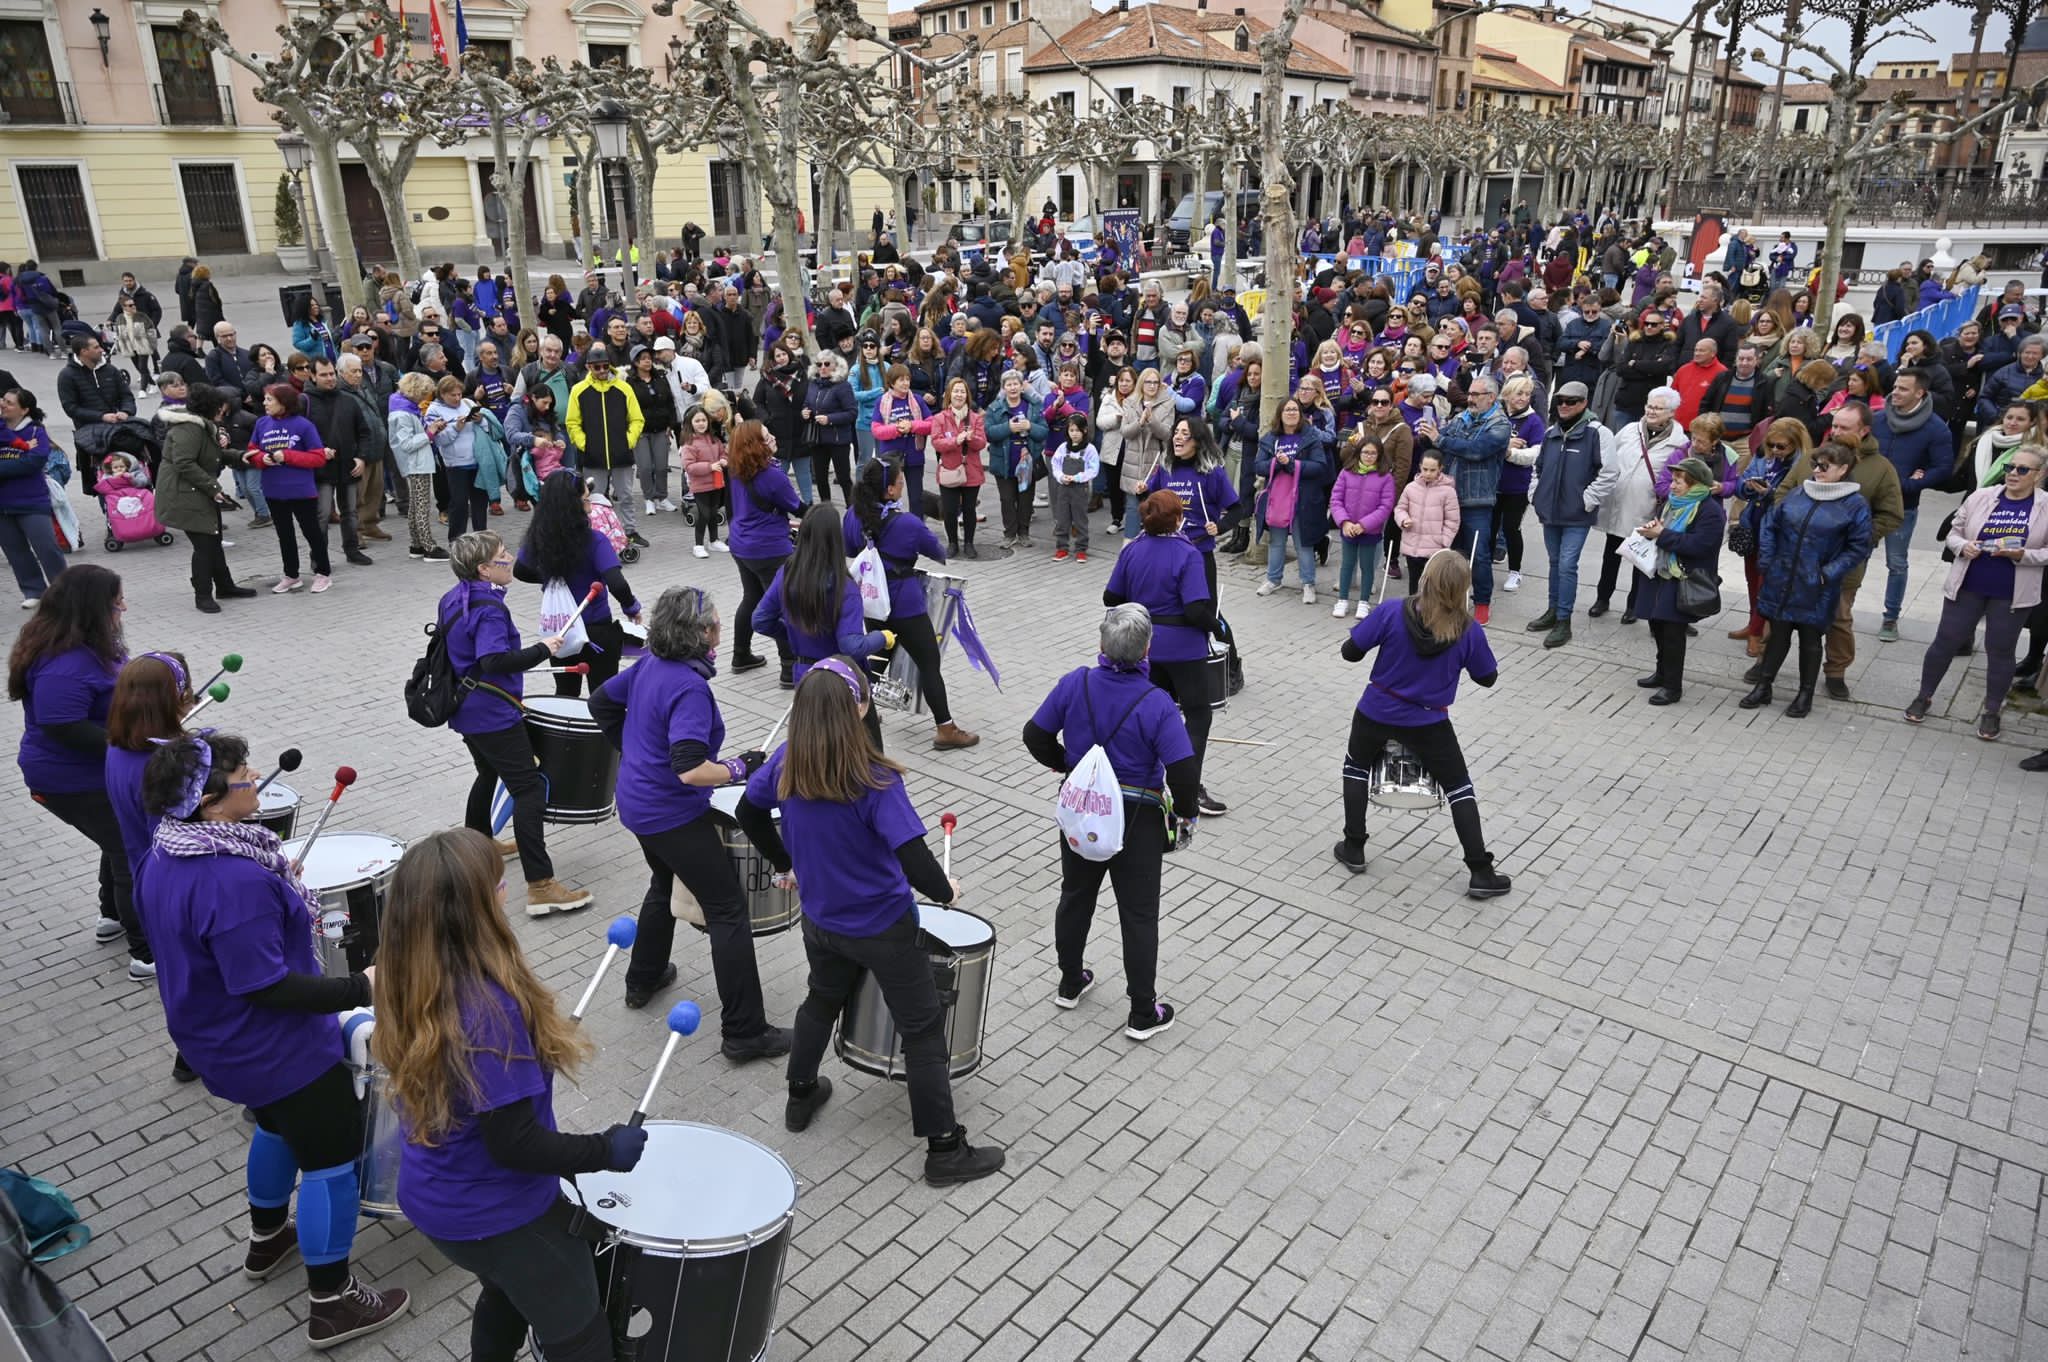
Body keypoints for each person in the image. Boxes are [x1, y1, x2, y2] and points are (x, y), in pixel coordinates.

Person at [133, 730, 409, 1347]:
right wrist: (361, 987)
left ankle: (267, 1240)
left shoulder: (165, 851)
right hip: (275, 1049)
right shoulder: (232, 882)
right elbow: (265, 986)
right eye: (243, 776)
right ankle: (333, 1301)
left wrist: (276, 886)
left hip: (214, 1039)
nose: (256, 777)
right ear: (208, 802)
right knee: (331, 1159)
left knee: (276, 1126)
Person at [733, 659, 1006, 1186]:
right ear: (860, 707)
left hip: (821, 922)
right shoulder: (874, 779)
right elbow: (915, 859)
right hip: (884, 928)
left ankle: (800, 1094)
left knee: (821, 999)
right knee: (922, 1030)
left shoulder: (787, 761)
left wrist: (787, 863)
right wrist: (946, 890)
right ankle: (945, 1149)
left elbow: (748, 812)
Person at [585, 588, 790, 1058]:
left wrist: (637, 754)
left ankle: (644, 977)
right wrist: (739, 767)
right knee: (727, 910)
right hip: (669, 814)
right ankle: (744, 1032)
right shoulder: (689, 687)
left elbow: (601, 703)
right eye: (716, 623)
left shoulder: (650, 665)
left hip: (638, 805)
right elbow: (691, 769)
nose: (720, 628)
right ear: (700, 633)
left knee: (663, 882)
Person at [1023, 604, 1198, 1037]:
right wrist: (1185, 814)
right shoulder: (1157, 703)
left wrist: (1067, 765)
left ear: (1101, 642)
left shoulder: (1075, 683)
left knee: (1075, 896)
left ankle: (1070, 981)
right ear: (1147, 649)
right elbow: (1183, 771)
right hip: (1137, 821)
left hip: (1083, 813)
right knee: (1138, 914)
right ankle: (1142, 1012)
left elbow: (1034, 735)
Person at [1333, 550, 1510, 899]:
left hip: (1376, 710)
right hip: (1428, 720)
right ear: (1463, 589)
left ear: (1425, 578)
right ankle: (1480, 871)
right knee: (1460, 789)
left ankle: (1354, 846)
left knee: (1355, 769)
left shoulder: (1392, 611)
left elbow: (1349, 652)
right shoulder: (1468, 630)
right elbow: (1487, 677)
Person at [9, 565, 154, 974]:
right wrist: (133, 744)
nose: (124, 607)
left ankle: (111, 916)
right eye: (116, 602)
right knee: (131, 849)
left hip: (93, 773)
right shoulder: (64, 664)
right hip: (70, 780)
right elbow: (63, 726)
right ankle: (146, 952)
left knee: (116, 839)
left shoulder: (89, 644)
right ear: (92, 608)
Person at [437, 531, 590, 915]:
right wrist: (543, 649)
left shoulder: (453, 596)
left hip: (465, 710)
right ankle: (541, 885)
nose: (511, 560)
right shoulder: (489, 608)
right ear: (484, 569)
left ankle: (478, 846)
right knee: (529, 789)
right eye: (503, 555)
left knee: (488, 773)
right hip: (491, 713)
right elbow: (493, 661)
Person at [1903, 448, 2047, 742]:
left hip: (2012, 593)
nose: (2013, 474)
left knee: (2001, 650)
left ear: (2039, 474)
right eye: (2010, 467)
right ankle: (1924, 695)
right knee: (1945, 641)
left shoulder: (2045, 506)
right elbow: (1953, 533)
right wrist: (1962, 546)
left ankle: (1992, 710)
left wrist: (2023, 554)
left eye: (2022, 470)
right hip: (1968, 585)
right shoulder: (1982, 496)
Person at [1769, 402, 1902, 702]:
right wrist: (1788, 525)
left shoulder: (1880, 468)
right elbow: (1784, 491)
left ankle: (1836, 672)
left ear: (1864, 430)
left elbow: (1891, 515)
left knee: (1838, 617)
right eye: (1835, 425)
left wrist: (1856, 539)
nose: (1836, 431)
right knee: (1779, 610)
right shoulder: (1815, 457)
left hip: (1842, 564)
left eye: (1844, 427)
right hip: (1796, 558)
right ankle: (1766, 667)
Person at [1106, 490, 1227, 818]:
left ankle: (1144, 782)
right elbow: (1194, 609)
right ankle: (1189, 789)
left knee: (1151, 714)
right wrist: (1216, 626)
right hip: (1184, 650)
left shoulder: (1132, 549)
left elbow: (1110, 597)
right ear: (1176, 519)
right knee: (1198, 715)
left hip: (1143, 646)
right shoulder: (1188, 553)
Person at [845, 459, 980, 749]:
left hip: (871, 600)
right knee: (929, 663)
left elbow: (848, 547)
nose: (903, 488)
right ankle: (945, 729)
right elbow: (938, 552)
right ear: (890, 491)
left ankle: (859, 713)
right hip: (905, 605)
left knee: (878, 655)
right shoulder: (907, 523)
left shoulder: (853, 515)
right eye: (901, 484)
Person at [1742, 443, 1874, 718]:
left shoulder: (1855, 505)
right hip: (1782, 578)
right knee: (1777, 634)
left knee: (1810, 640)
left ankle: (1805, 694)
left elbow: (1859, 547)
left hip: (1816, 586)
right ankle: (1764, 686)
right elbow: (1771, 525)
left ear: (1843, 469)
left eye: (1825, 466)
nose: (1817, 470)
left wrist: (1828, 573)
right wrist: (1768, 560)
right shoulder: (1799, 493)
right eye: (1815, 464)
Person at [514, 471, 641, 700]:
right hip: (597, 632)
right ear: (572, 505)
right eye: (585, 499)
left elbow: (520, 571)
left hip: (560, 632)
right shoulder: (595, 540)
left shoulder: (538, 539)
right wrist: (631, 608)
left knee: (565, 693)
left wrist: (553, 578)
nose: (590, 503)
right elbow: (617, 583)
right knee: (603, 698)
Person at [1631, 456, 1727, 706]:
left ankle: (1673, 687)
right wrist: (1652, 530)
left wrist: (1662, 534)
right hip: (1660, 572)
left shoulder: (1711, 511)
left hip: (1683, 576)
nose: (1672, 486)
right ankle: (1661, 673)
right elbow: (1662, 529)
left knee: (1673, 633)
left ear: (1696, 485)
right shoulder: (1672, 503)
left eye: (1678, 482)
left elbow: (1699, 545)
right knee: (1657, 626)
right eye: (1673, 480)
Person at [1525, 381, 1615, 648]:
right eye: (1560, 400)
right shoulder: (1551, 432)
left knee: (1566, 565)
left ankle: (1564, 620)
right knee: (1555, 563)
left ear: (1584, 403)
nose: (1564, 405)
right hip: (1550, 512)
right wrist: (1535, 494)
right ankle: (1553, 611)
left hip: (1576, 515)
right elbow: (1538, 467)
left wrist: (1587, 500)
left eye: (1571, 401)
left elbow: (1609, 473)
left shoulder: (1598, 433)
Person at [1873, 369, 1958, 643]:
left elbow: (1943, 467)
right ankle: (1841, 608)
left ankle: (1891, 617)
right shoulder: (1877, 419)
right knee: (1854, 555)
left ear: (1920, 393)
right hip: (1866, 502)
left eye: (1903, 389)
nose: (1895, 392)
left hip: (1903, 505)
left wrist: (1910, 485)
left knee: (1896, 562)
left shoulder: (1936, 428)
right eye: (1895, 386)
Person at [1592, 387, 1687, 622]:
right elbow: (1609, 458)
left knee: (1639, 559)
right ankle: (1602, 598)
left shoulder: (1679, 443)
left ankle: (1633, 606)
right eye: (1649, 406)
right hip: (1619, 504)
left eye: (1658, 408)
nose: (1651, 411)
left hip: (1647, 509)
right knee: (1611, 555)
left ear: (1672, 412)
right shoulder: (1629, 430)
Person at [725, 418, 803, 681]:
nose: (773, 439)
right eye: (767, 437)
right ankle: (789, 667)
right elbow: (796, 506)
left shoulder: (736, 468)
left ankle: (740, 654)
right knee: (783, 604)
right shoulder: (772, 475)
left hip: (740, 543)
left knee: (752, 597)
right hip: (769, 549)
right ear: (755, 445)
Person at [565, 345, 647, 548]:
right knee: (594, 498)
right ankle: (596, 534)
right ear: (588, 367)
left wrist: (628, 441)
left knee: (626, 496)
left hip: (621, 455)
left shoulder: (624, 388)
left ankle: (630, 531)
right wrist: (585, 445)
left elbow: (637, 419)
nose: (602, 370)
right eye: (597, 367)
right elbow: (572, 423)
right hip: (593, 457)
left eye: (605, 366)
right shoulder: (578, 390)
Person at [0, 386, 66, 607]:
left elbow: (34, 461)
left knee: (47, 548)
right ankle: (33, 590)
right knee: (15, 551)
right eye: (3, 400)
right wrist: (15, 465)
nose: (3, 405)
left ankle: (62, 592)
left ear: (24, 409)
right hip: (2, 504)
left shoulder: (36, 431)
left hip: (32, 501)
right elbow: (23, 462)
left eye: (9, 402)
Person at [1327, 433, 1394, 618]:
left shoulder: (1385, 477)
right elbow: (1336, 500)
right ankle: (1342, 600)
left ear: (1379, 455)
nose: (1369, 456)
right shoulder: (1346, 473)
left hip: (1370, 531)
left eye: (1373, 453)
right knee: (1347, 565)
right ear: (1358, 453)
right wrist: (1344, 521)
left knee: (1367, 567)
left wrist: (1364, 525)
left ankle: (1364, 602)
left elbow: (1385, 506)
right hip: (1348, 528)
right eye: (1365, 452)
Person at [929, 375, 988, 558]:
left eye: (962, 391)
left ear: (967, 396)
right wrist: (956, 440)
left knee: (969, 509)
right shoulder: (939, 418)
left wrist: (971, 438)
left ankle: (969, 543)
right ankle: (952, 543)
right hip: (949, 470)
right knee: (949, 510)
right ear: (949, 394)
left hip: (971, 471)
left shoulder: (975, 418)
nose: (959, 395)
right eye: (956, 391)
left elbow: (981, 443)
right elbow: (937, 443)